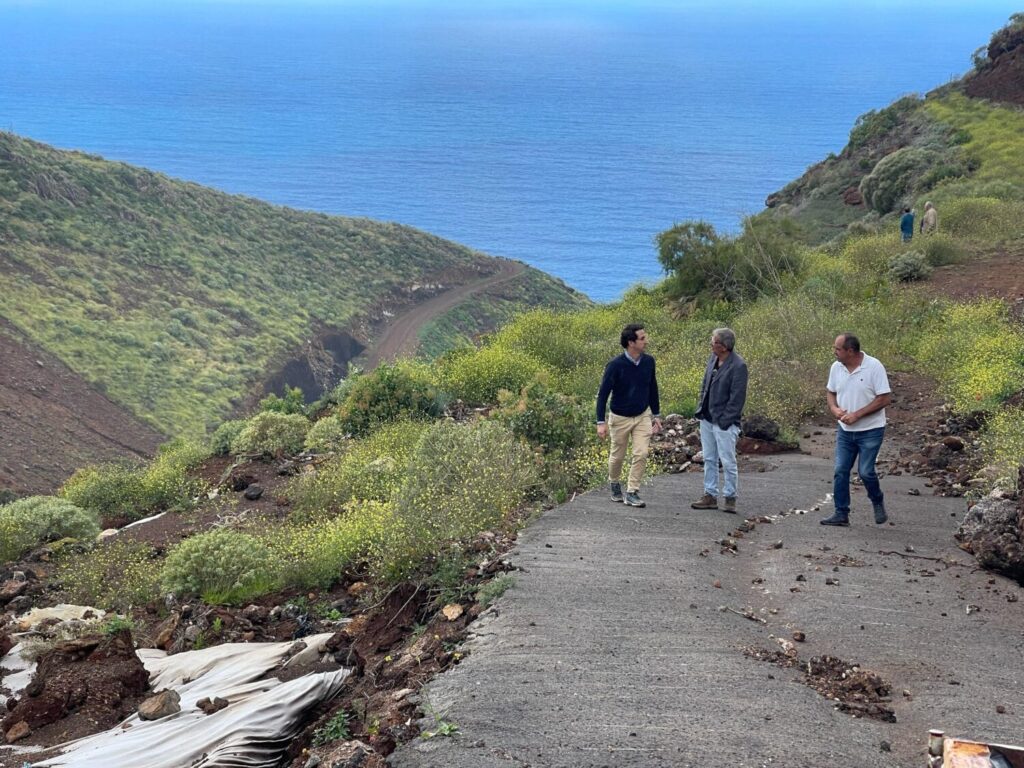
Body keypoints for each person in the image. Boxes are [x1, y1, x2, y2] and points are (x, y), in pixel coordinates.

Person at [820, 333, 892, 527]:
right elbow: (831, 392)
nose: (834, 352)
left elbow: (884, 399)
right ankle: (841, 513)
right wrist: (834, 408)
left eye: (837, 349)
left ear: (850, 351)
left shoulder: (874, 367)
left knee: (866, 472)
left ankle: (877, 500)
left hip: (870, 430)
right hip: (845, 430)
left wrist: (857, 415)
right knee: (840, 470)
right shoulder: (836, 367)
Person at [596, 324, 663, 508]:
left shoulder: (649, 361)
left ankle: (632, 491)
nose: (646, 340)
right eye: (642, 338)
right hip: (619, 417)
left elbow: (653, 388)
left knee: (641, 453)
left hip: (642, 415)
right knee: (617, 457)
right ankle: (614, 482)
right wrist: (600, 422)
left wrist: (656, 415)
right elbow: (603, 394)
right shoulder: (615, 365)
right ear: (630, 342)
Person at [690, 328, 748, 513]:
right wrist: (701, 405)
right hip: (707, 417)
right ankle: (710, 495)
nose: (711, 344)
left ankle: (730, 497)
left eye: (713, 342)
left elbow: (737, 398)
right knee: (709, 458)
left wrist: (725, 420)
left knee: (728, 460)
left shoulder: (738, 366)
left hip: (724, 421)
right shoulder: (713, 359)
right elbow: (704, 385)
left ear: (723, 346)